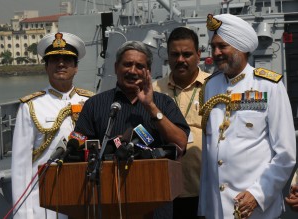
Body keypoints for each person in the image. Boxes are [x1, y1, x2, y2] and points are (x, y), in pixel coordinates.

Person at [74, 40, 190, 218]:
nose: (132, 71)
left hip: (155, 205)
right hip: (108, 204)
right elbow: (77, 150)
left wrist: (150, 106)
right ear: (116, 67)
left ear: (148, 72)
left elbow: (180, 143)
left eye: (139, 66)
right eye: (127, 64)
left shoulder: (163, 103)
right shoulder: (94, 105)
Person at [198, 14, 296, 219]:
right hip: (218, 210)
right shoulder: (210, 86)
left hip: (256, 208)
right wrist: (205, 208)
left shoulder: (269, 85)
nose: (216, 53)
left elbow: (285, 154)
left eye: (222, 46)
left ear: (241, 47)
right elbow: (210, 152)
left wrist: (257, 195)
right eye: (213, 47)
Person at [11, 32, 94, 219]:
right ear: (46, 67)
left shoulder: (91, 102)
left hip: (86, 200)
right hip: (45, 206)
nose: (61, 64)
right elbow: (20, 166)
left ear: (76, 68)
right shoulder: (31, 106)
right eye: (55, 59)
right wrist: (23, 215)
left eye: (67, 59)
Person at [153, 27, 210, 219]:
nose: (180, 60)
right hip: (164, 191)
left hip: (206, 190)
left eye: (187, 54)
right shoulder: (153, 91)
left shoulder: (215, 86)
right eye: (175, 54)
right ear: (167, 56)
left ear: (199, 55)